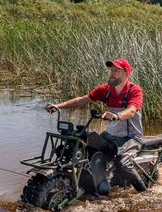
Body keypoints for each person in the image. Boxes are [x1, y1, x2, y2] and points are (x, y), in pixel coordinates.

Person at [45, 59, 147, 194]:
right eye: (111, 70)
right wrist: (58, 106)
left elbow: (132, 110)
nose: (112, 73)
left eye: (117, 70)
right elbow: (82, 100)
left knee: (123, 164)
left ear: (127, 73)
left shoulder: (134, 90)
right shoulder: (106, 90)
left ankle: (144, 193)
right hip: (111, 134)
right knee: (86, 146)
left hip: (131, 137)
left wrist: (117, 116)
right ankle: (93, 183)